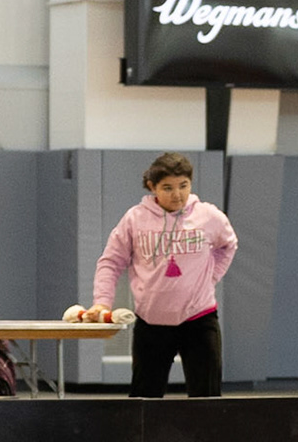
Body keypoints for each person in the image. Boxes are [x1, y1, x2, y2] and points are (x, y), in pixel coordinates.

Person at [88, 153, 238, 398]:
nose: (177, 194)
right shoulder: (135, 219)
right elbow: (111, 262)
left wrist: (210, 278)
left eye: (183, 186)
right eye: (167, 188)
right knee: (145, 400)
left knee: (207, 400)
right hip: (152, 322)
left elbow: (228, 246)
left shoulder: (209, 216)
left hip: (199, 319)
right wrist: (102, 302)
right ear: (152, 187)